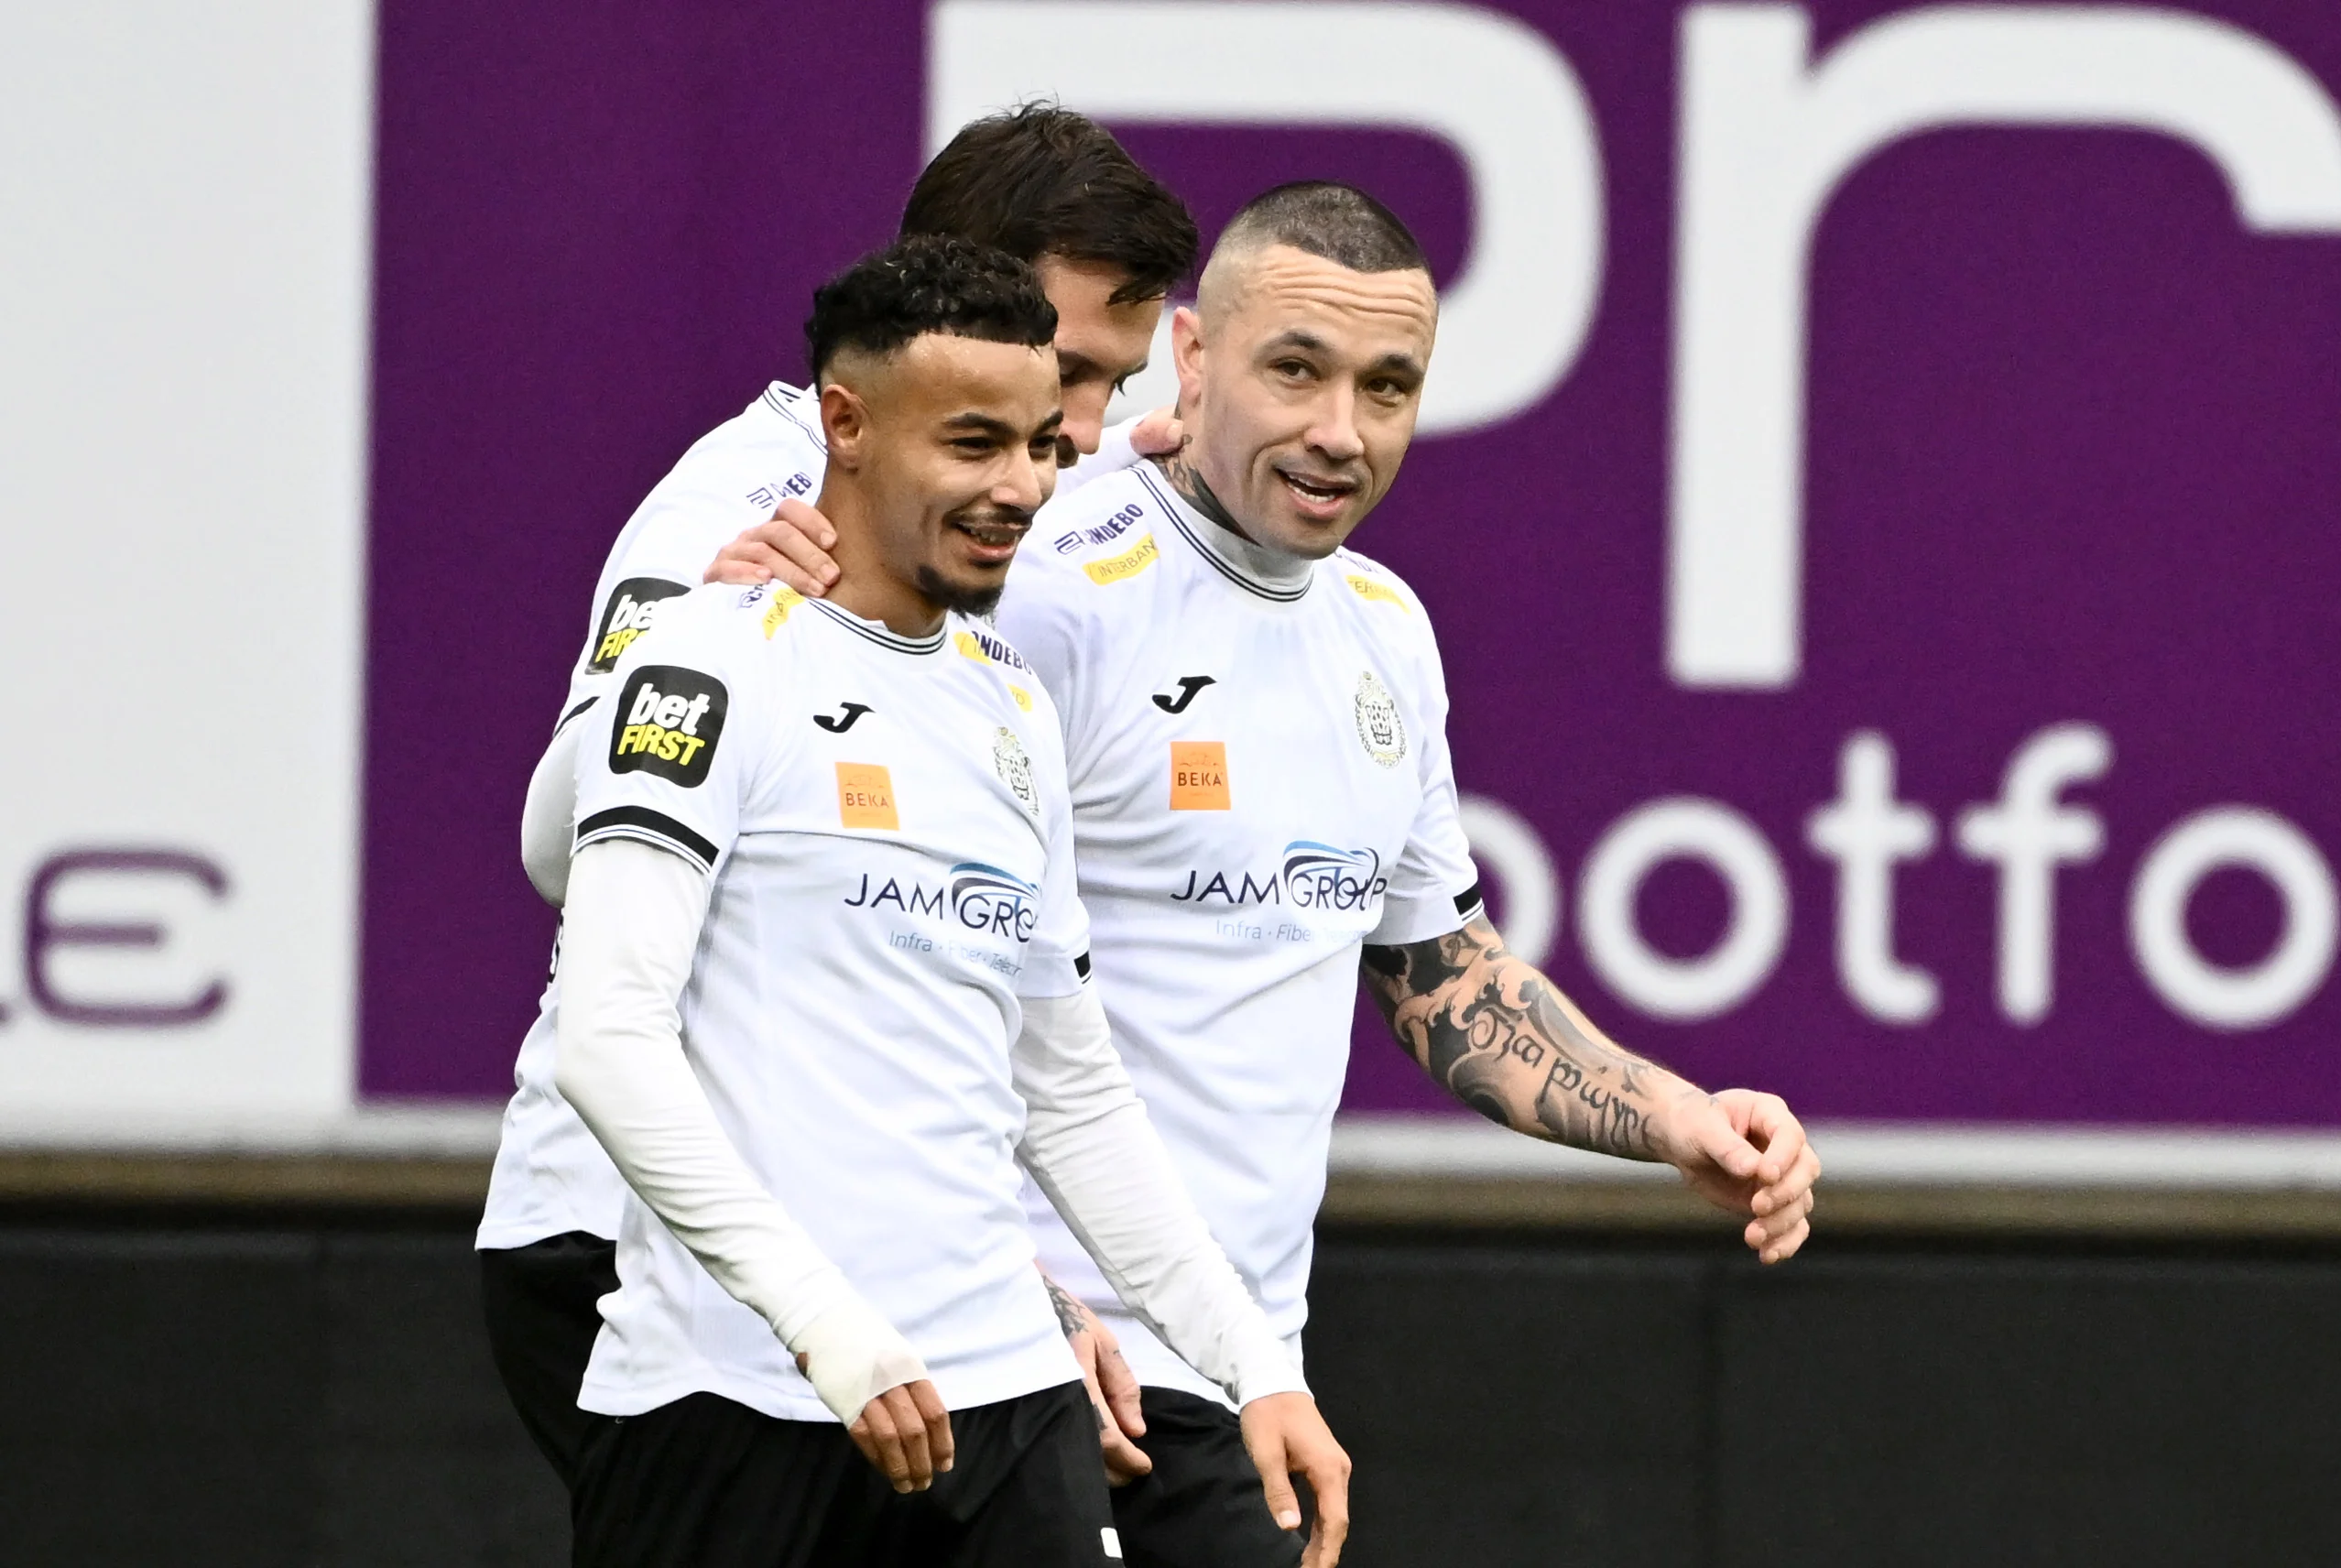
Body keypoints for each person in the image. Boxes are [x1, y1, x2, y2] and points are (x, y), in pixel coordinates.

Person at [706, 182, 1823, 1568]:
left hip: (1235, 1374)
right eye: (1296, 369)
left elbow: (1439, 971)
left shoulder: (1385, 635)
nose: (1339, 432)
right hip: (1012, 1362)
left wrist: (1672, 1116)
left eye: (1388, 387)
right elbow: (858, 961)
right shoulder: (1039, 593)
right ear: (1189, 359)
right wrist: (1021, 1288)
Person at [554, 233, 1347, 1567]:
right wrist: (832, 1331)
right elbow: (609, 1043)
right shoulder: (701, 661)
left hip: (1001, 1408)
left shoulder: (1011, 708)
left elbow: (1073, 1096)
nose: (1021, 488)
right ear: (847, 424)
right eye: (974, 444)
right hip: (736, 1401)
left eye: (1041, 444)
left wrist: (1251, 1365)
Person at [477, 105, 1195, 1494]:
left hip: (867, 1258)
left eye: (1115, 384)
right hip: (631, 1238)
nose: (1092, 427)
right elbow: (552, 843)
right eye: (1076, 369)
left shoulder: (1026, 498)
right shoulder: (734, 508)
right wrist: (703, 627)